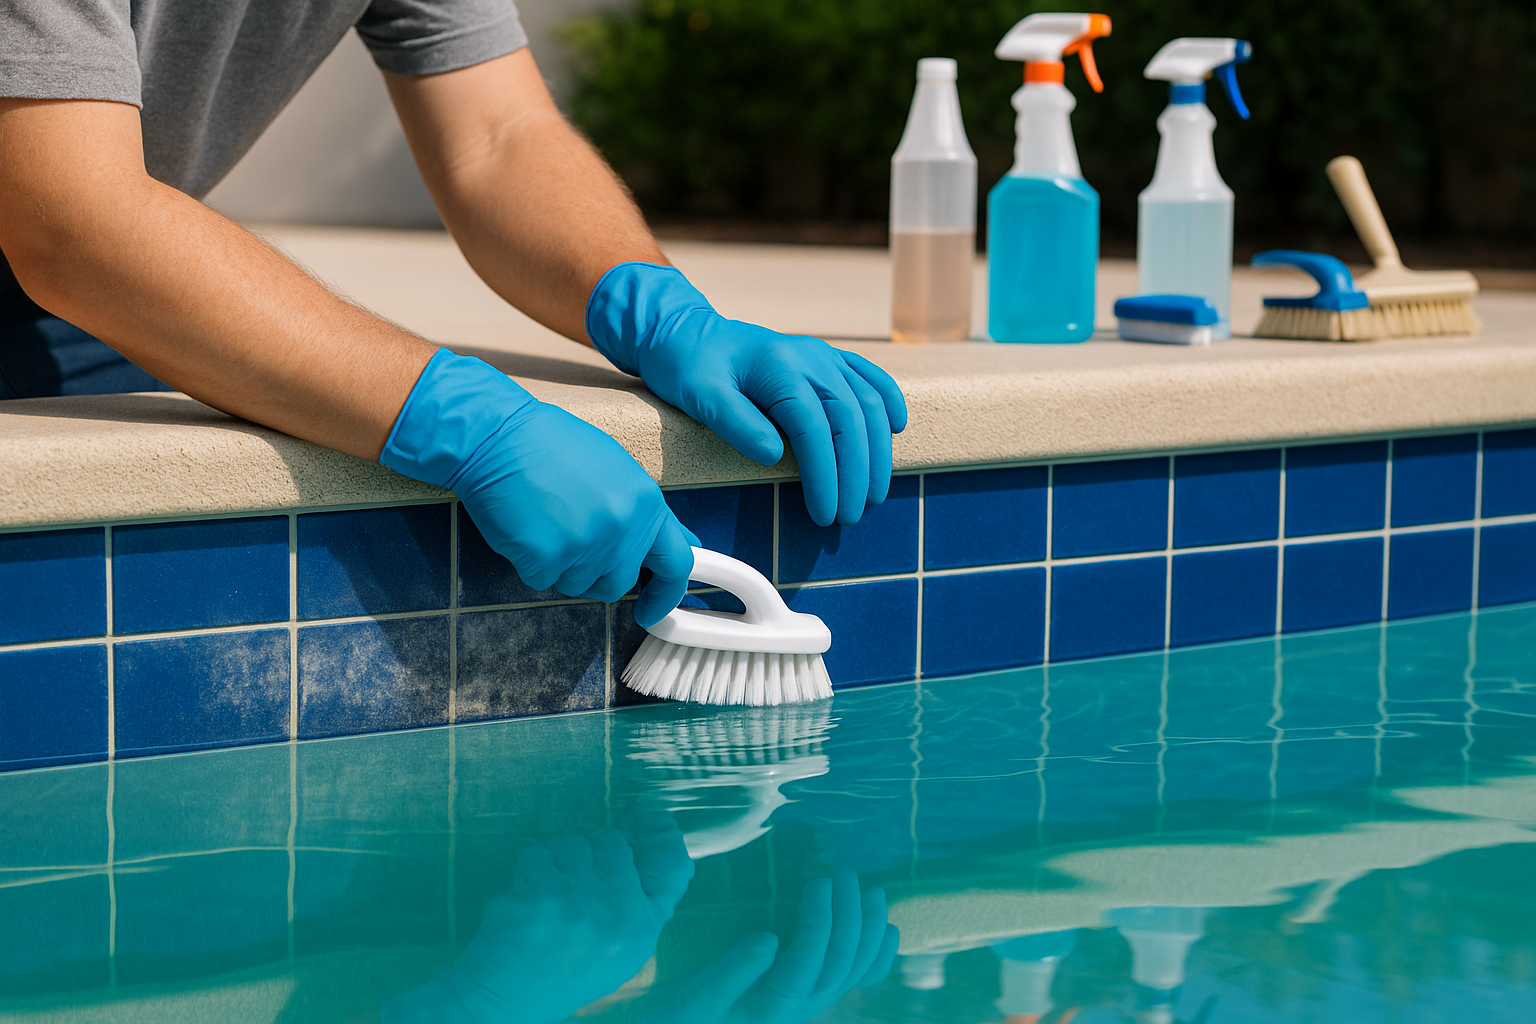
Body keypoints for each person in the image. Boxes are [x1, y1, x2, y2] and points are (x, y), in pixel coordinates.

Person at [0, 0, 908, 628]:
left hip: (69, 327)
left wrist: (659, 311)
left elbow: (496, 137)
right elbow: (69, 219)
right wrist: (469, 421)